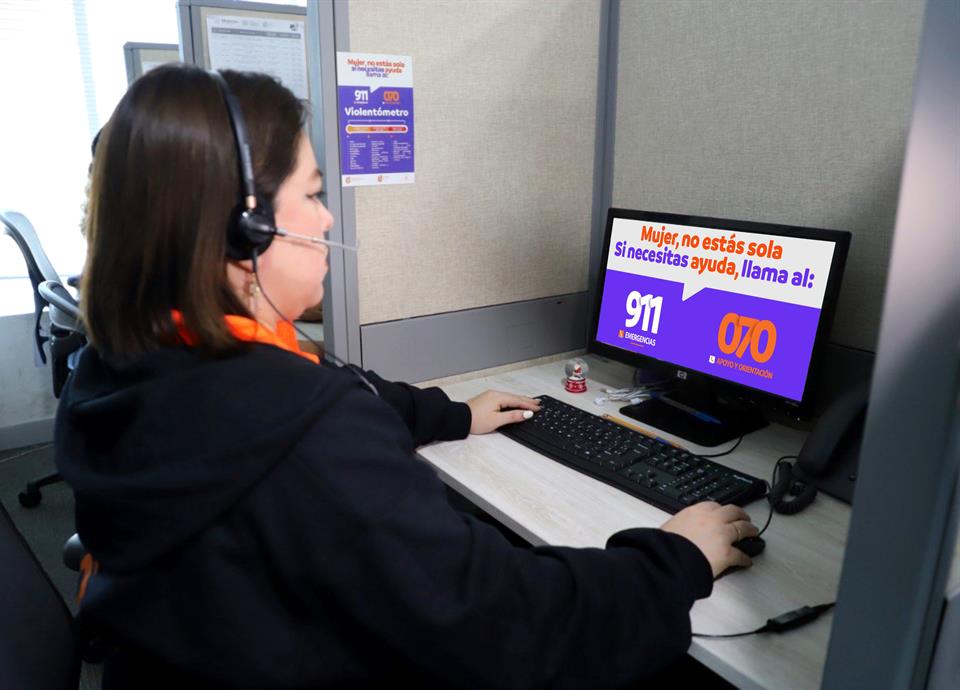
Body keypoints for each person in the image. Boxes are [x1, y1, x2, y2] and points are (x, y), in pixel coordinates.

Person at [56, 64, 758, 689]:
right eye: (313, 193)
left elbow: (333, 391)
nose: (328, 217)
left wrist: (454, 414)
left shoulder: (124, 362)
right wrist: (676, 558)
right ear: (248, 229)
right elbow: (507, 625)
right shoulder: (305, 437)